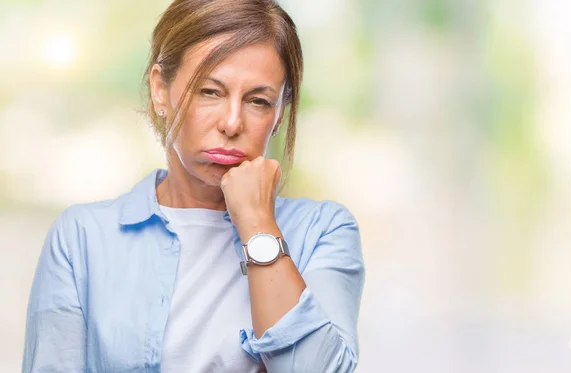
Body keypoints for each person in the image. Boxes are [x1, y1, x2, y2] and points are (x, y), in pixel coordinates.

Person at [22, 0, 365, 372]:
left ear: (279, 112)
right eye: (210, 92)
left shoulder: (323, 232)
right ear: (160, 89)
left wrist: (257, 224)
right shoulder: (82, 239)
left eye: (258, 101)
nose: (232, 123)